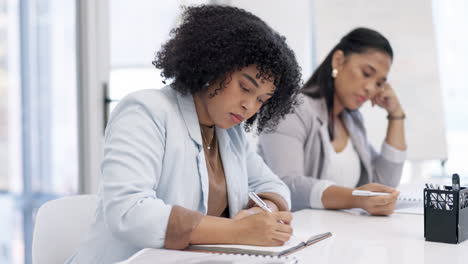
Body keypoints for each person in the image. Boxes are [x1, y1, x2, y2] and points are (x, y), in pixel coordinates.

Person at [66, 5, 302, 264]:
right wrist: (238, 231)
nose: (250, 106)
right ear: (214, 64)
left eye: (262, 100)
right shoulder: (145, 111)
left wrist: (262, 213)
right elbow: (129, 212)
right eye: (245, 87)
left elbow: (272, 186)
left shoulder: (230, 133)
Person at [258, 27, 406, 215]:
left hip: (340, 235)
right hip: (295, 235)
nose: (371, 88)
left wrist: (396, 116)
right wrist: (356, 198)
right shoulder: (291, 108)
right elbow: (286, 185)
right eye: (367, 73)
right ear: (338, 61)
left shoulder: (353, 121)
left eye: (379, 83)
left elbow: (383, 185)